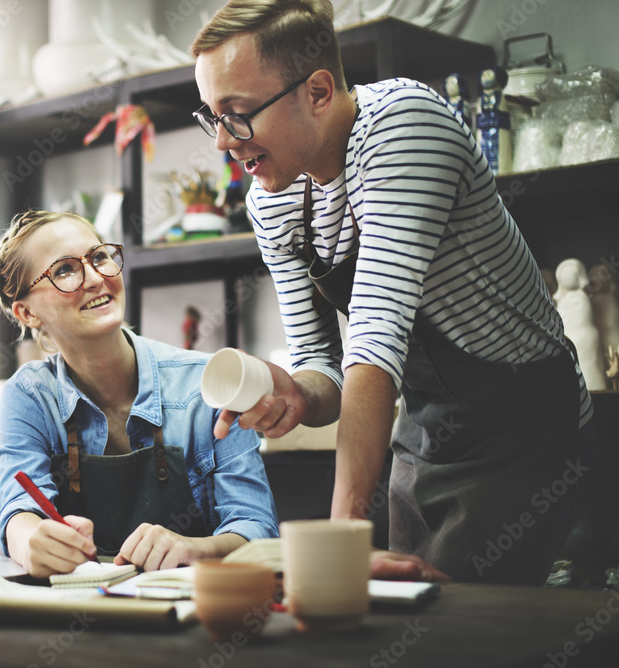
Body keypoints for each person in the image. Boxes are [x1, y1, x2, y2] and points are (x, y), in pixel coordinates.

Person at [190, 0, 598, 585]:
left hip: (529, 429)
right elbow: (322, 366)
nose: (224, 143)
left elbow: (376, 342)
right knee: (412, 617)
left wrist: (340, 539)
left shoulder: (404, 127)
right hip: (425, 433)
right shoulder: (271, 198)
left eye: (237, 114)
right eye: (212, 116)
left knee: (482, 629)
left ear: (319, 92)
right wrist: (298, 395)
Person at [0, 210, 279, 577]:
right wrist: (32, 543)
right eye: (64, 270)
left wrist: (194, 548)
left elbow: (257, 529)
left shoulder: (208, 385)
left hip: (195, 615)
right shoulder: (29, 395)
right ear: (26, 312)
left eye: (99, 258)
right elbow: (18, 512)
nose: (96, 278)